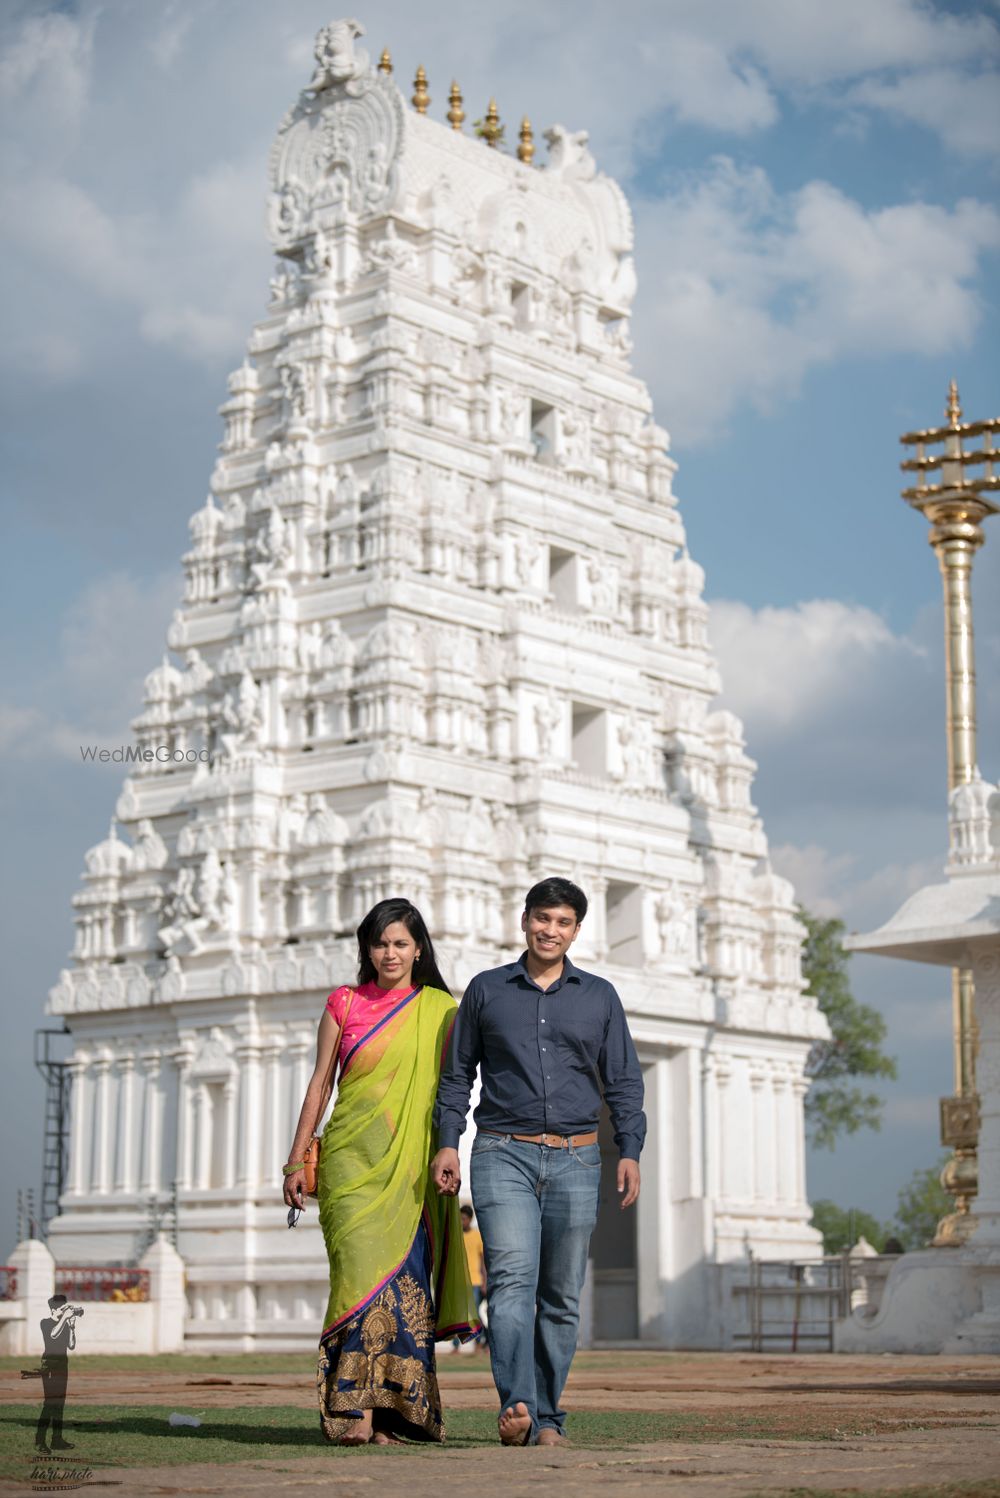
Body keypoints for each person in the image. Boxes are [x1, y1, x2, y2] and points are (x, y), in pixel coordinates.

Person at [430, 876, 646, 1448]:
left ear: (577, 931)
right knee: (510, 1284)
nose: (551, 931)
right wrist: (449, 1141)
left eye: (563, 922)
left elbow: (623, 1081)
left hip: (578, 1158)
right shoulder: (485, 991)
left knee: (561, 1295)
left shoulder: (598, 997)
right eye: (542, 919)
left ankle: (549, 1416)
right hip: (502, 1152)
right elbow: (457, 1076)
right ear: (524, 920)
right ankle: (519, 1404)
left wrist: (630, 1150)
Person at [283, 898, 479, 1446]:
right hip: (350, 1166)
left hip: (412, 1171)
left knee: (404, 1287)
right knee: (356, 1284)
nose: (389, 953)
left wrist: (449, 1150)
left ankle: (395, 1416)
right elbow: (321, 1084)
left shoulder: (441, 1009)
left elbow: (451, 1091)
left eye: (400, 943)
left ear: (419, 949)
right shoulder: (343, 1004)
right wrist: (297, 1159)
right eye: (380, 943)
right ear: (366, 949)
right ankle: (350, 1412)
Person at [35, 1295, 83, 1453]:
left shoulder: (65, 1324)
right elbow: (53, 1335)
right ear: (54, 1310)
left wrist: (72, 1327)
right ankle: (39, 1440)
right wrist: (64, 1320)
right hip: (49, 1366)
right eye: (63, 1309)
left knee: (60, 1403)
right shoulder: (45, 1323)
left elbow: (71, 1345)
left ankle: (57, 1439)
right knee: (50, 1404)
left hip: (63, 1366)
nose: (66, 1311)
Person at [458, 1205, 488, 1353]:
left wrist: (485, 1281)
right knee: (459, 1315)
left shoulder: (477, 1236)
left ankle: (480, 1342)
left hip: (475, 1281)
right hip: (459, 1282)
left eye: (464, 1219)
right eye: (460, 1218)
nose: (462, 1221)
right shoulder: (456, 1235)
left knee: (474, 1315)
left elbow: (483, 1261)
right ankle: (456, 1347)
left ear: (470, 1219)